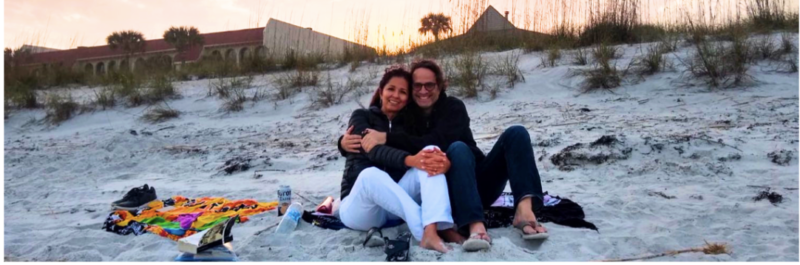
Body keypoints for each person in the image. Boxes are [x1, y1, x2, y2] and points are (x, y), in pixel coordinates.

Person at [339, 60, 548, 252]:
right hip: (434, 192)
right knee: (429, 157)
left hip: (478, 181)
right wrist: (342, 143)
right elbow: (370, 141)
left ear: (440, 86)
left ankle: (524, 208)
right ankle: (470, 225)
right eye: (416, 86)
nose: (422, 91)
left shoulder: (452, 108)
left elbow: (436, 140)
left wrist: (387, 138)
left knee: (512, 134)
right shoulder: (394, 116)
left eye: (429, 85)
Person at [336, 66, 459, 253]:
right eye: (391, 89)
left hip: (395, 204)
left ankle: (436, 227)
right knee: (370, 174)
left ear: (408, 98)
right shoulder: (362, 117)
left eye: (403, 92)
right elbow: (372, 150)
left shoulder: (411, 124)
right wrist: (410, 160)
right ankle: (425, 231)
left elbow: (425, 149)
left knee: (430, 151)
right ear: (381, 91)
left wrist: (440, 160)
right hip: (361, 208)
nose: (396, 95)